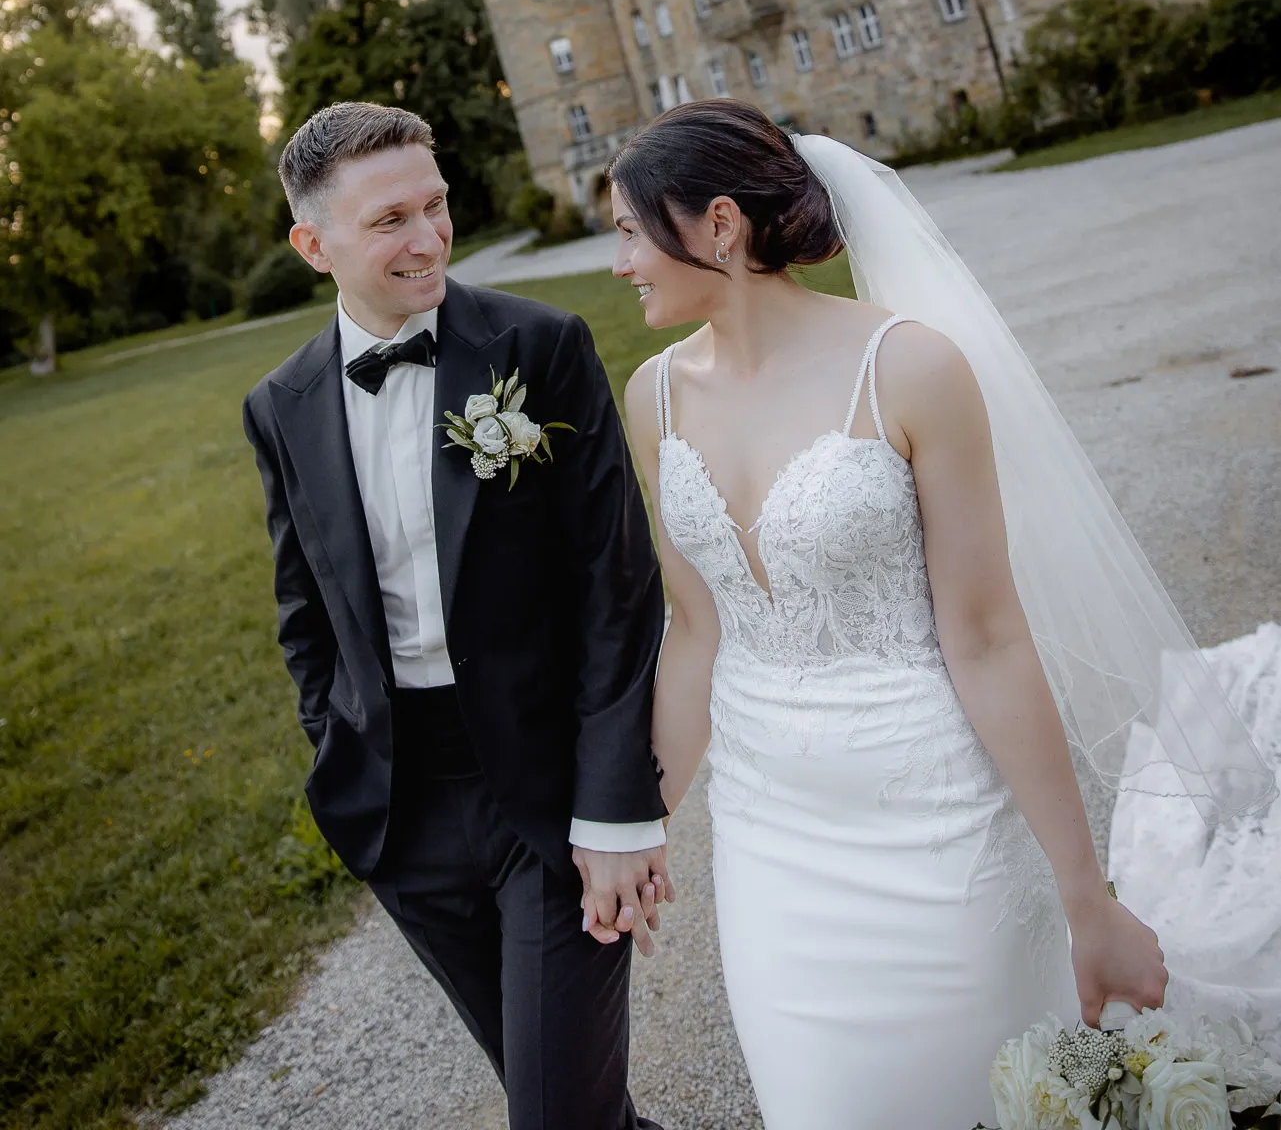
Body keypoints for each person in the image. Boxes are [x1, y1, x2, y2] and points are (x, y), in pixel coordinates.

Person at [608, 100, 1272, 1130]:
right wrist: (634, 819)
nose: (618, 262)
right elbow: (698, 630)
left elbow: (990, 636)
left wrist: (1084, 898)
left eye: (626, 229)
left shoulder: (910, 368)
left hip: (940, 835)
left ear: (720, 224)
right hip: (770, 851)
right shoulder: (651, 397)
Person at [242, 101, 669, 1130]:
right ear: (315, 244)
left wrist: (616, 808)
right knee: (559, 1094)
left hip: (546, 788)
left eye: (434, 206)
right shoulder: (280, 404)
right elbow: (306, 609)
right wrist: (338, 751)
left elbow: (617, 588)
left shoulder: (542, 345)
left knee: (556, 1112)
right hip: (402, 810)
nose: (429, 237)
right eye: (390, 219)